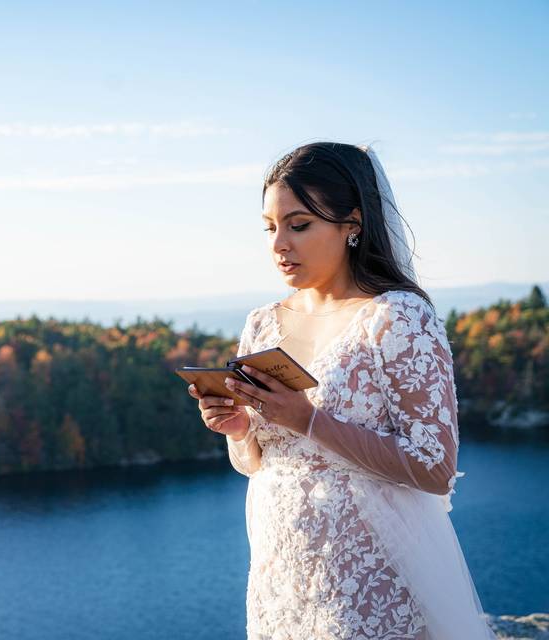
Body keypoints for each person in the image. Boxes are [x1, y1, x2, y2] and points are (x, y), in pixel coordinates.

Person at [189, 142, 494, 639]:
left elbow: (436, 469)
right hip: (280, 570)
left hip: (370, 576)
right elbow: (257, 462)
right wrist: (240, 429)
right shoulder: (263, 325)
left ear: (352, 223)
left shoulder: (397, 317)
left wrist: (307, 418)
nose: (279, 244)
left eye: (299, 224)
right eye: (270, 227)